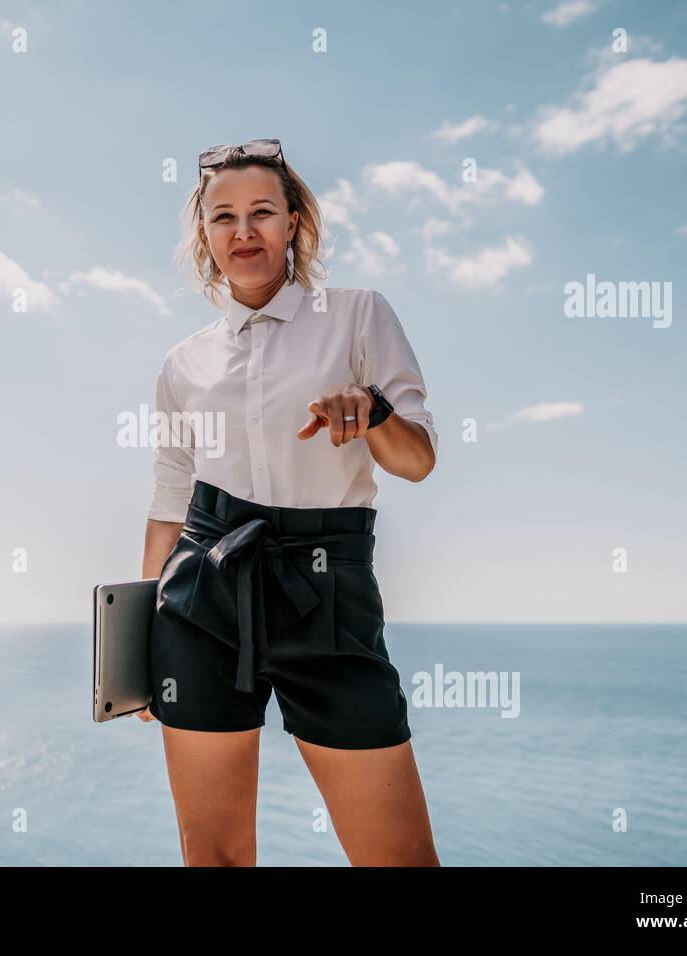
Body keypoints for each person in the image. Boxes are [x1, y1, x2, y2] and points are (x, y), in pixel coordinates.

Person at [136, 139, 441, 867]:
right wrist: (139, 636)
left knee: (399, 859)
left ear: (295, 223)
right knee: (213, 857)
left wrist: (370, 410)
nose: (243, 232)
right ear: (204, 235)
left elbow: (419, 461)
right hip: (200, 596)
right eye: (224, 217)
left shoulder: (360, 315)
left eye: (263, 212)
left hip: (327, 590)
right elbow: (171, 497)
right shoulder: (184, 362)